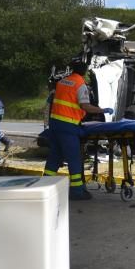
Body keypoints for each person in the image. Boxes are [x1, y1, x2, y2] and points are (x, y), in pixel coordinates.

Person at [44, 58, 113, 200]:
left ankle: (44, 186)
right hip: (68, 127)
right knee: (74, 159)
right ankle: (77, 191)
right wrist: (102, 110)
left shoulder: (62, 81)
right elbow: (85, 106)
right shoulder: (80, 84)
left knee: (55, 157)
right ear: (84, 71)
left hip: (55, 124)